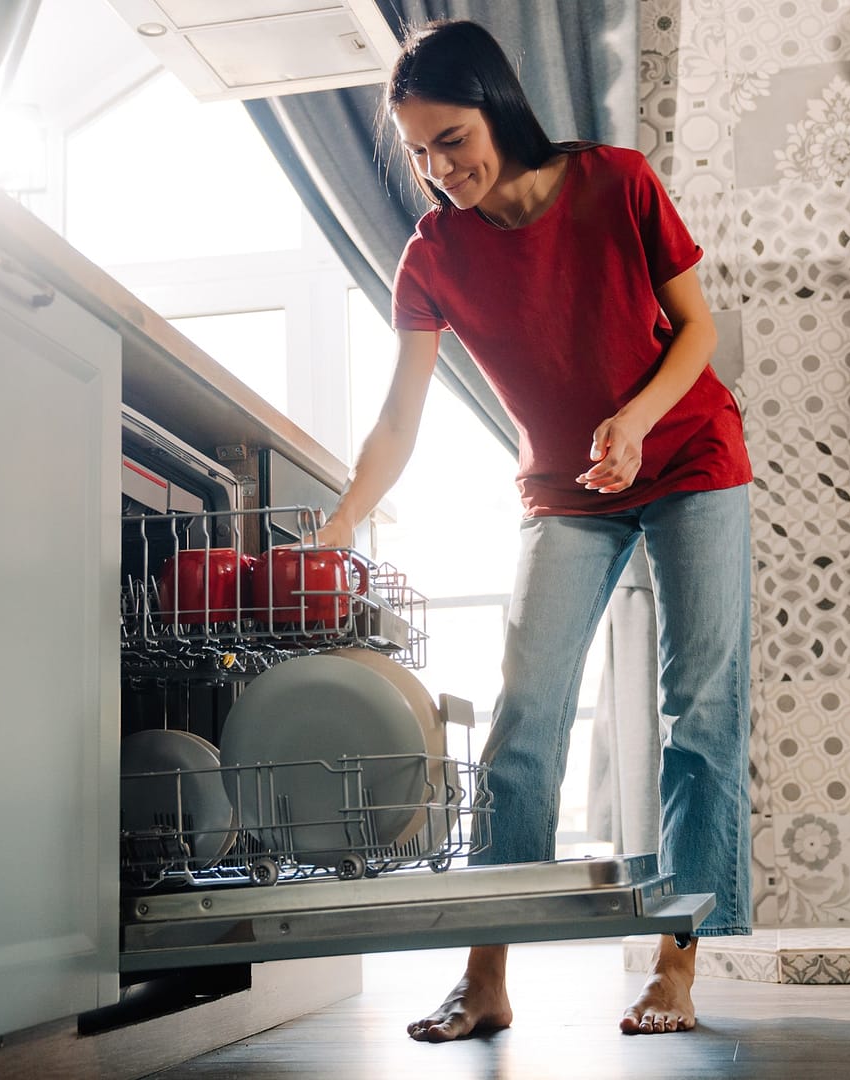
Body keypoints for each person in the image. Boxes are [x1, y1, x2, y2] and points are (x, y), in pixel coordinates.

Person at [313, 18, 753, 1040]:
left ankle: (674, 968)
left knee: (700, 713)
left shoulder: (616, 182)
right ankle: (484, 977)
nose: (439, 168)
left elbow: (698, 329)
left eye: (452, 140)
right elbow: (397, 419)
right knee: (521, 726)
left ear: (497, 109)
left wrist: (634, 422)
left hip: (687, 457)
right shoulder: (432, 257)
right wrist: (336, 525)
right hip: (562, 491)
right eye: (419, 152)